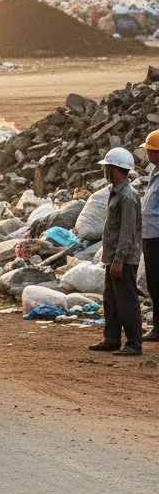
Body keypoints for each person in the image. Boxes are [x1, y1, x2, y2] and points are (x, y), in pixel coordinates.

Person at [90, 147, 143, 356]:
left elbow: (128, 232)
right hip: (113, 257)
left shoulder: (128, 197)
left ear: (114, 169)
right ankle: (111, 339)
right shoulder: (116, 192)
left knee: (126, 301)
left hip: (124, 259)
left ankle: (134, 343)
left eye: (107, 168)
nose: (105, 172)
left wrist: (119, 260)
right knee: (111, 300)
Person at [140, 131, 159, 343]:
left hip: (157, 237)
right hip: (150, 236)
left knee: (157, 283)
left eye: (149, 150)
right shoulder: (154, 173)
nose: (146, 153)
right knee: (154, 283)